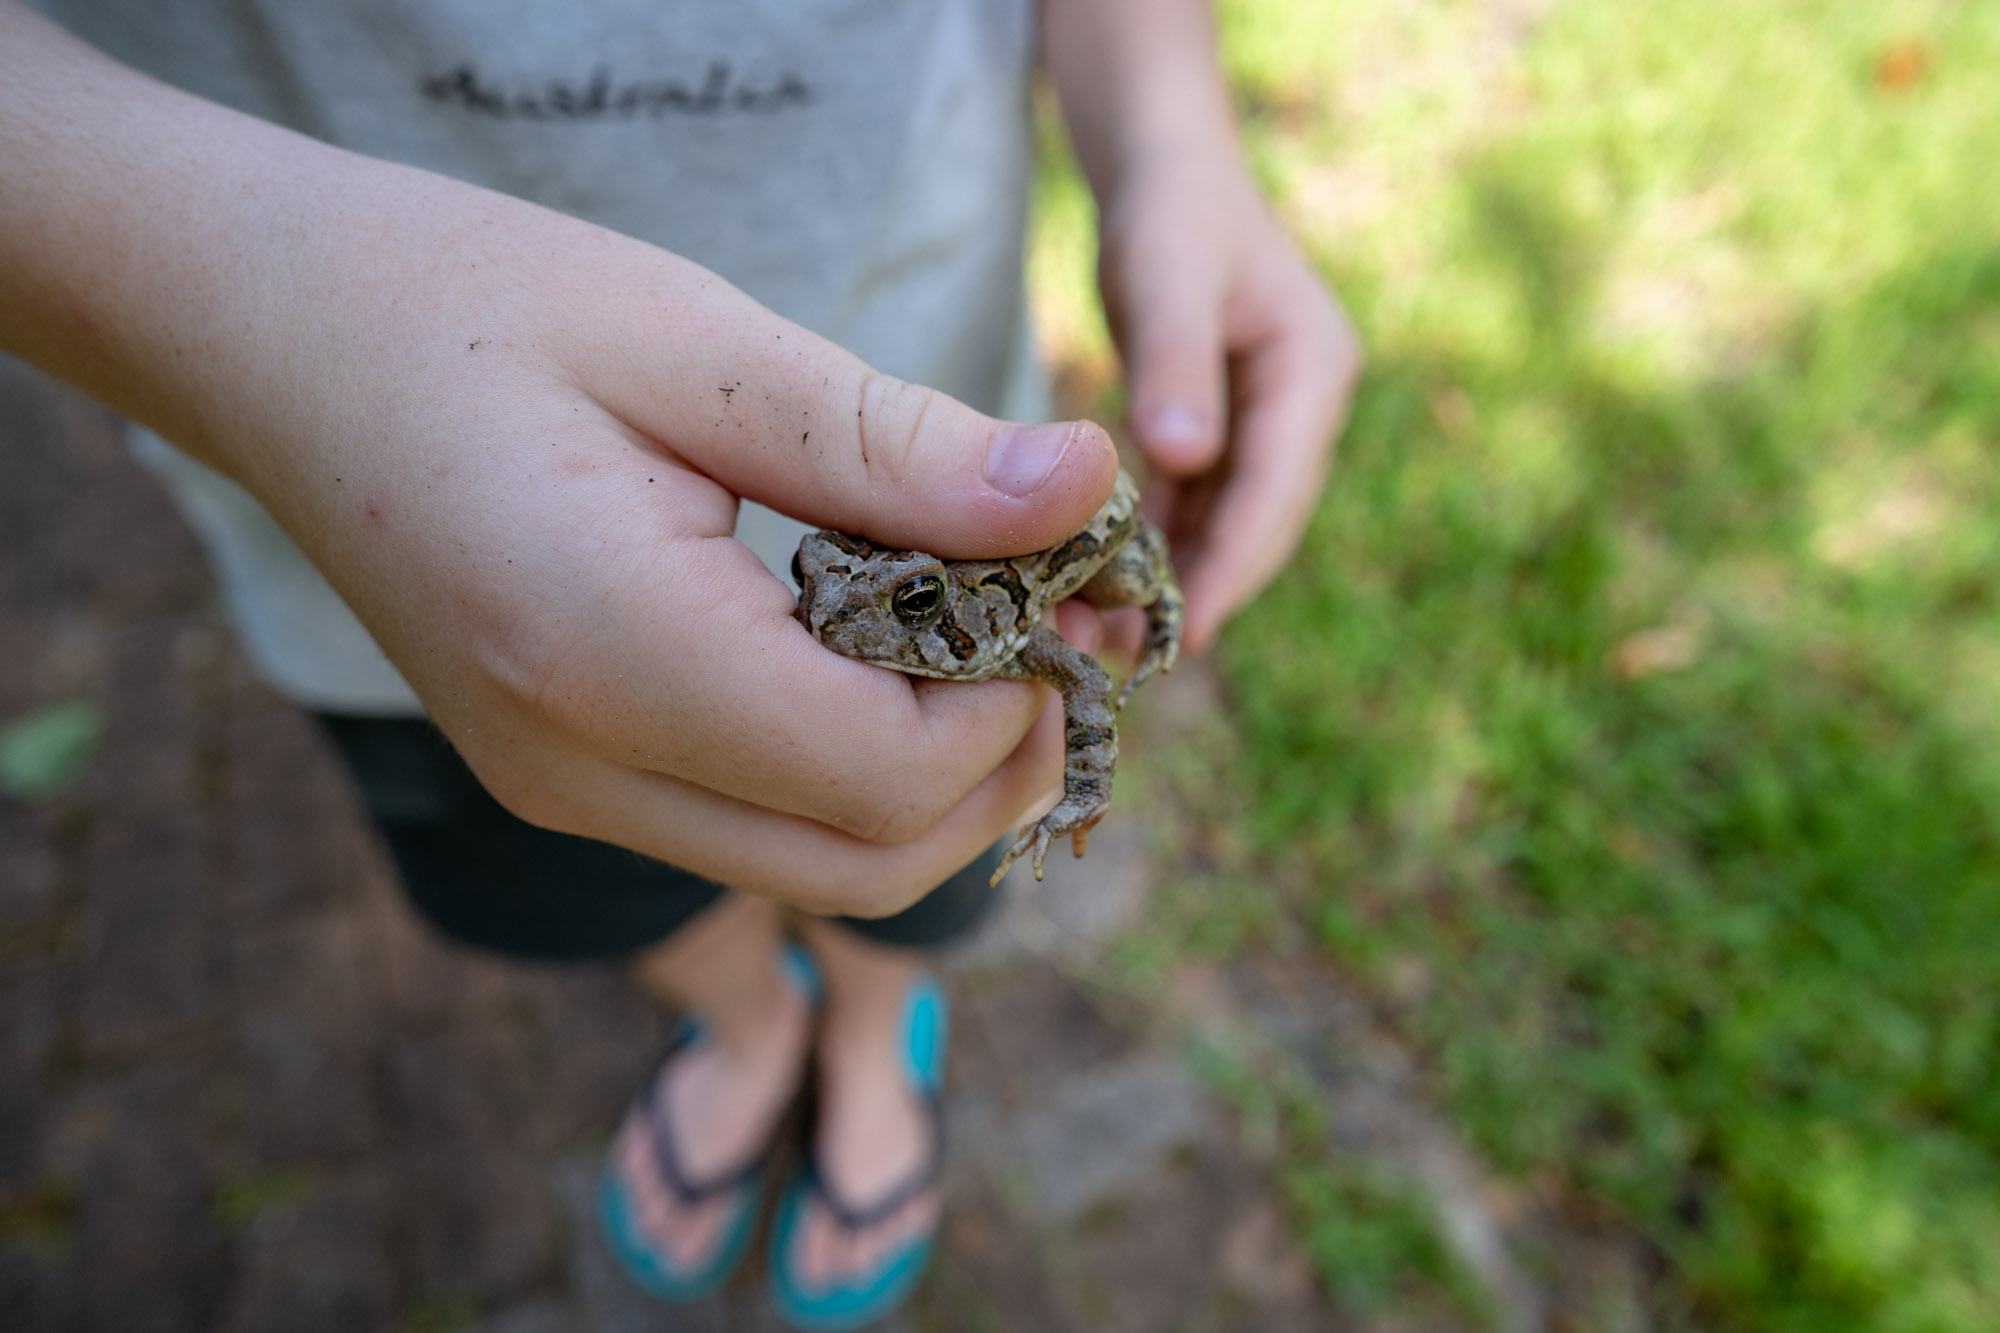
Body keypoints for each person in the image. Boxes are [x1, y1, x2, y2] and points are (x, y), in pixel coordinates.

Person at [0, 0, 1358, 1324]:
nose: (842, 613)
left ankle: (878, 1037)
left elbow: (1077, 675)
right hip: (370, 529)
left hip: (940, 381)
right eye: (833, 589)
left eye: (885, 608)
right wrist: (212, 289)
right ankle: (749, 1023)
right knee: (597, 873)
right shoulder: (836, 583)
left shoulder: (996, 626)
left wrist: (1174, 138)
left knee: (931, 862)